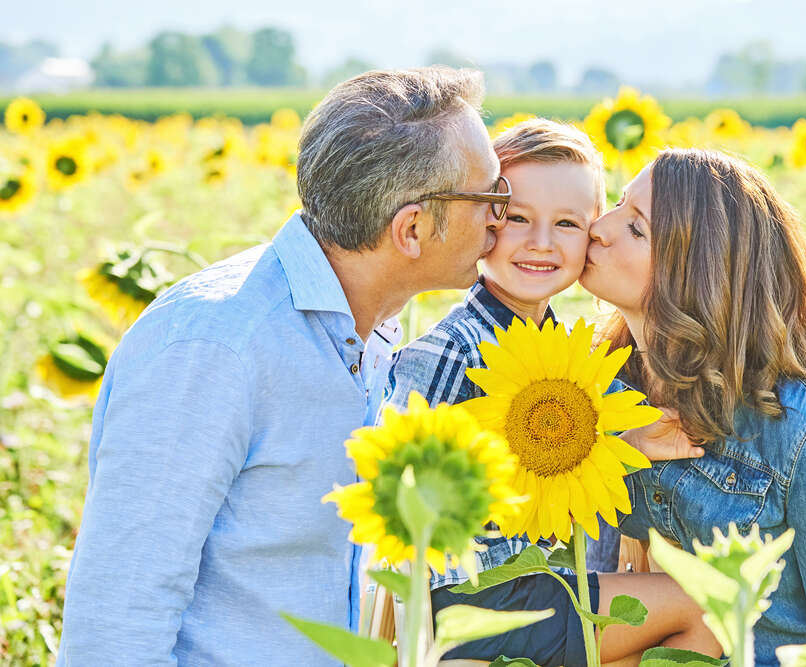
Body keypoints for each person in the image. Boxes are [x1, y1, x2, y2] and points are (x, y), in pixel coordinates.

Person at [58, 67, 510, 665]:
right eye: (491, 197)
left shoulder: (364, 329)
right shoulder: (215, 346)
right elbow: (116, 625)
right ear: (412, 228)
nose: (502, 217)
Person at [385, 119, 720, 667]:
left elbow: (564, 463)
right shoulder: (450, 350)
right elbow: (400, 485)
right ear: (485, 219)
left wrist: (629, 441)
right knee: (708, 610)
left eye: (567, 223)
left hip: (539, 584)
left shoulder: (565, 351)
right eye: (518, 218)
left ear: (594, 234)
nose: (540, 242)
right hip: (475, 596)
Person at [581, 148, 806, 667]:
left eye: (636, 229)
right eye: (617, 204)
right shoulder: (602, 389)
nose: (598, 228)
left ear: (698, 274)